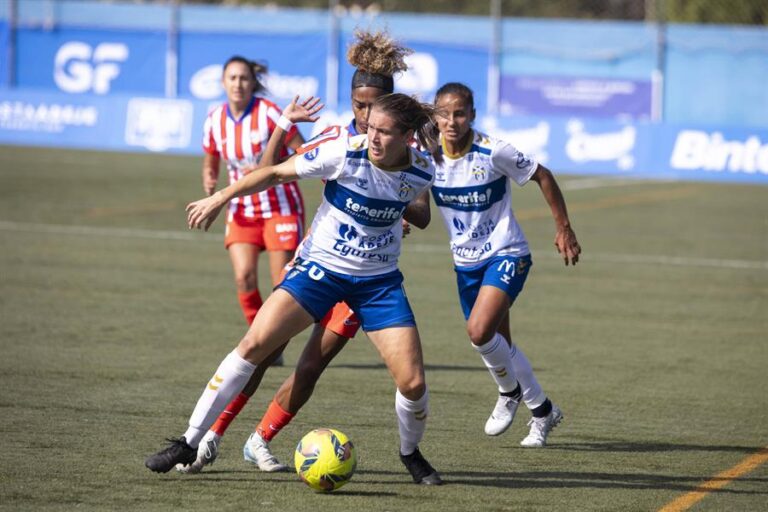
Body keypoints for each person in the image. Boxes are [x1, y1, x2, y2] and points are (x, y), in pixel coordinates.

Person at [146, 92, 444, 486]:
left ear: (406, 136)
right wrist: (220, 196)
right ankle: (190, 440)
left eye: (384, 132)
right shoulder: (342, 151)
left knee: (413, 382)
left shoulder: (423, 170)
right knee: (254, 346)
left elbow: (414, 210)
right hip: (320, 270)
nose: (372, 137)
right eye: (370, 127)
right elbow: (273, 173)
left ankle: (410, 453)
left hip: (378, 283)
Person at [431, 82, 581, 447]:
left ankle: (508, 392)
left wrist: (564, 227)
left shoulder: (493, 151)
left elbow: (543, 175)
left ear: (473, 115)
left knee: (479, 332)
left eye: (460, 113)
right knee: (501, 345)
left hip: (507, 253)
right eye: (445, 114)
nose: (452, 121)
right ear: (434, 116)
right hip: (465, 264)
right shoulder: (427, 157)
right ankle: (543, 412)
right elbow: (414, 198)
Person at [203, 56, 306, 361]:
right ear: (223, 82)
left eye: (244, 78)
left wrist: (270, 168)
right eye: (232, 78)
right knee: (243, 278)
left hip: (280, 207)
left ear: (252, 82)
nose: (238, 84)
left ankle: (272, 342)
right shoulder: (213, 119)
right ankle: (262, 340)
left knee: (281, 286)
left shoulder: (270, 113)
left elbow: (301, 151)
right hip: (242, 211)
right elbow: (211, 157)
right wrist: (209, 177)